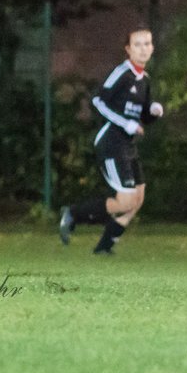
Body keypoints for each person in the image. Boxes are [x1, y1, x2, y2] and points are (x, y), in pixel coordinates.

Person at [59, 27, 164, 254]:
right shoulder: (122, 74)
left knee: (138, 199)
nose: (143, 48)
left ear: (152, 47)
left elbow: (141, 116)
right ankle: (73, 214)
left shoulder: (144, 79)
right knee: (125, 201)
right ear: (128, 49)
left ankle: (105, 247)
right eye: (137, 44)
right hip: (111, 142)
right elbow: (98, 101)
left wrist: (153, 112)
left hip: (128, 145)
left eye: (147, 43)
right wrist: (124, 124)